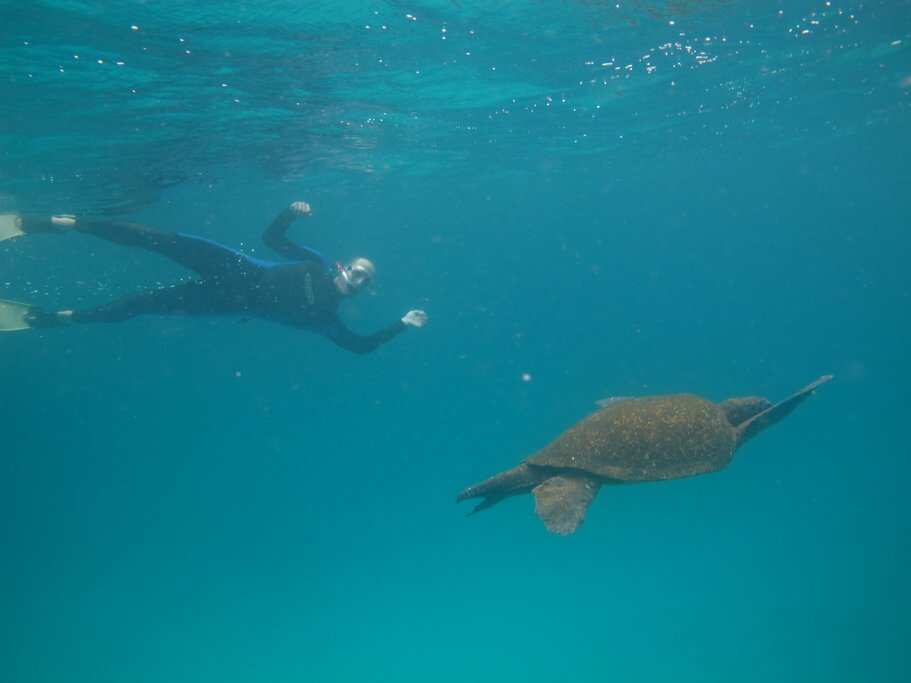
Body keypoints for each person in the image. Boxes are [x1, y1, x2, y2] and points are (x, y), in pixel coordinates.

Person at [0, 202, 427, 354]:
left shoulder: (326, 320)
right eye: (356, 269)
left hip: (226, 304)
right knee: (155, 238)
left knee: (142, 304)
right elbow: (272, 237)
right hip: (233, 266)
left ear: (362, 290)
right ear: (342, 266)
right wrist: (291, 213)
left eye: (364, 280)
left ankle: (58, 318)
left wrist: (401, 326)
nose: (357, 278)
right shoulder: (315, 262)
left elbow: (360, 348)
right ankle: (57, 222)